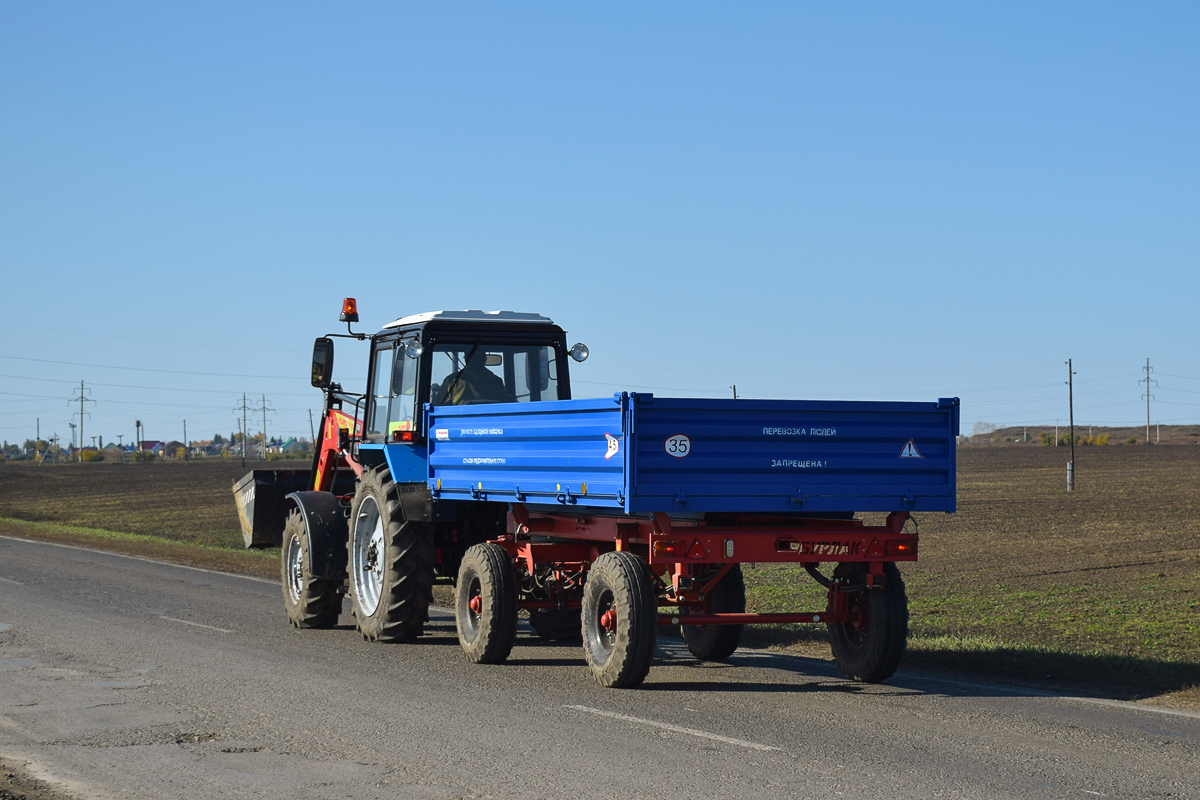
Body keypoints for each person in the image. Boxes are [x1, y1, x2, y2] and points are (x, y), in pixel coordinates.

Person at [437, 350, 507, 405]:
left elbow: (438, 409)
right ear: (485, 359)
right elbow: (507, 408)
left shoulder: (452, 381)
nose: (476, 360)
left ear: (466, 359)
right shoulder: (497, 382)